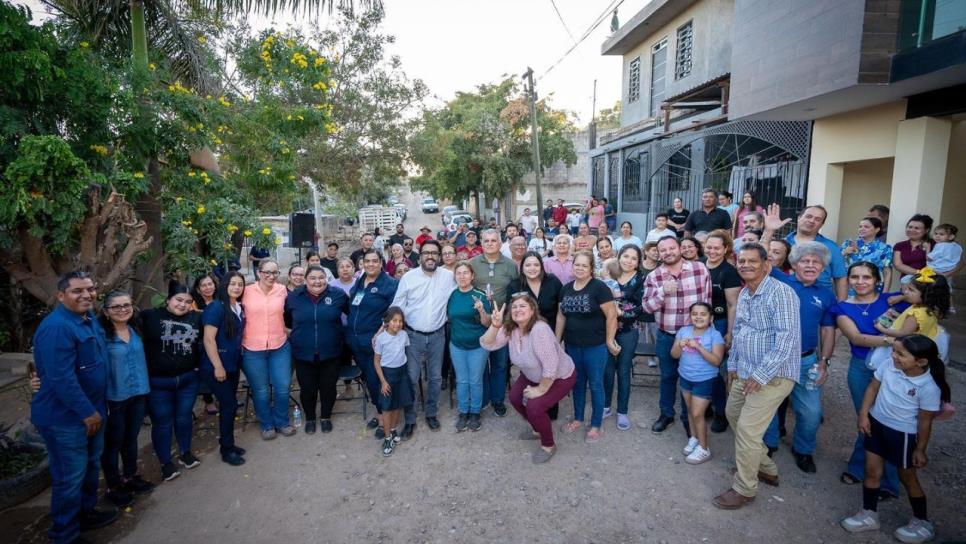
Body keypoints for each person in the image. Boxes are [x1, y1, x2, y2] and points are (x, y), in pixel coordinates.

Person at [31, 271, 118, 542]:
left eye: (90, 289)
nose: (86, 295)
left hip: (92, 411)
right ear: (61, 296)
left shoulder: (88, 318)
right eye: (77, 291)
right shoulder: (57, 327)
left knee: (90, 466)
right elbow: (60, 378)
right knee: (69, 477)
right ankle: (64, 534)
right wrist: (87, 413)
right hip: (67, 419)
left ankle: (86, 513)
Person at [712, 244, 800, 510]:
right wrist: (733, 367)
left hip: (774, 375)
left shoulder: (781, 293)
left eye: (752, 261)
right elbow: (739, 333)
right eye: (742, 261)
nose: (746, 265)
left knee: (749, 430)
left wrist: (760, 375)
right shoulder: (746, 294)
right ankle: (766, 467)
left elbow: (787, 340)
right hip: (745, 371)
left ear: (766, 265)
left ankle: (745, 487)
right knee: (733, 414)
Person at [840, 335, 949, 543]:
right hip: (877, 425)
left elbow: (925, 422)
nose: (894, 356)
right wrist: (864, 414)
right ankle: (869, 513)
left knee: (907, 476)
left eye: (901, 354)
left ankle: (922, 521)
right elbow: (873, 387)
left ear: (921, 362)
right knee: (872, 471)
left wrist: (920, 449)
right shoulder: (888, 365)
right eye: (894, 351)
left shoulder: (928, 387)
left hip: (903, 435)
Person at [759, 240, 838, 473]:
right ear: (794, 264)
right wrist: (770, 231)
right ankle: (769, 444)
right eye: (805, 260)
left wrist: (824, 362)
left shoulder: (825, 295)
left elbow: (828, 330)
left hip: (806, 361)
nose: (811, 265)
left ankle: (803, 450)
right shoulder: (780, 281)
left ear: (823, 268)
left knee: (812, 411)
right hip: (776, 358)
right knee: (769, 405)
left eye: (816, 262)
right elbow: (761, 260)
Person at [831, 261, 906, 499]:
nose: (860, 282)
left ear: (877, 280)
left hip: (897, 369)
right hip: (862, 368)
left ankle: (884, 478)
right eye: (855, 277)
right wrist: (895, 342)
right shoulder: (841, 307)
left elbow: (931, 298)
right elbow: (857, 337)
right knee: (868, 419)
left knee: (890, 422)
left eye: (866, 277)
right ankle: (864, 469)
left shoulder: (893, 300)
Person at [481, 295, 576, 463]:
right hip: (532, 374)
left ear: (532, 310)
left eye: (523, 306)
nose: (518, 309)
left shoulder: (540, 330)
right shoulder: (511, 328)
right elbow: (488, 344)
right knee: (515, 398)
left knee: (534, 406)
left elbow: (551, 366)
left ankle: (548, 444)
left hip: (560, 376)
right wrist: (495, 326)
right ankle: (537, 429)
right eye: (515, 307)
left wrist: (540, 390)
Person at [641, 236, 712, 434]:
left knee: (690, 377)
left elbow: (708, 302)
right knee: (668, 376)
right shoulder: (654, 277)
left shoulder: (700, 269)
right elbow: (646, 307)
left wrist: (707, 333)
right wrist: (663, 292)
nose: (668, 252)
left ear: (679, 248)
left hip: (694, 337)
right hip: (667, 336)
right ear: (658, 253)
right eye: (663, 250)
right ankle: (666, 414)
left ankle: (689, 417)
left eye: (671, 248)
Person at [391, 239, 456, 438]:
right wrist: (389, 330)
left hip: (438, 335)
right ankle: (410, 418)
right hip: (412, 336)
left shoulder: (448, 277)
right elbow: (398, 305)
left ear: (439, 256)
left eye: (434, 253)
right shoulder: (409, 278)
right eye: (426, 253)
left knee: (436, 378)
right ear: (420, 256)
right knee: (411, 377)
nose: (430, 256)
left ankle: (431, 413)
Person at [556, 251, 620, 443]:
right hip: (573, 346)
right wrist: (557, 342)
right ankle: (577, 418)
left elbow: (611, 315)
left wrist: (610, 340)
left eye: (584, 265)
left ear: (592, 268)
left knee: (596, 385)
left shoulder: (599, 288)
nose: (580, 268)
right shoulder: (565, 288)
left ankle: (595, 425)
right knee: (576, 383)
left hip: (595, 346)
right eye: (577, 264)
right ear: (572, 266)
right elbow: (561, 316)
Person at [141, 281, 203, 480]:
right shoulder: (150, 317)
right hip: (159, 382)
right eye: (178, 300)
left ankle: (185, 453)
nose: (182, 305)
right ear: (168, 299)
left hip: (187, 379)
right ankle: (165, 462)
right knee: (163, 422)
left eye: (187, 301)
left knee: (184, 418)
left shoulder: (196, 318)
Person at [97, 291, 153, 507]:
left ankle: (130, 476)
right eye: (116, 307)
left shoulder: (136, 329)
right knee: (113, 443)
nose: (122, 310)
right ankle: (113, 485)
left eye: (126, 305)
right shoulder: (101, 335)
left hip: (139, 392)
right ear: (106, 312)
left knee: (131, 438)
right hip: (115, 397)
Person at [285, 265, 349, 435]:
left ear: (326, 279)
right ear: (305, 280)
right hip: (303, 353)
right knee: (307, 389)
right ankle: (311, 418)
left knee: (328, 388)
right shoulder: (293, 298)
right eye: (312, 278)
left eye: (321, 277)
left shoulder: (338, 295)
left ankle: (326, 417)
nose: (317, 281)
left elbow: (352, 314)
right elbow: (287, 320)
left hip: (331, 352)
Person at [346, 249, 399, 438]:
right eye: (366, 261)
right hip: (356, 341)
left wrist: (380, 332)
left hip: (375, 342)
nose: (370, 264)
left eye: (374, 261)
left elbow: (394, 313)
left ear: (381, 263)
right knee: (369, 380)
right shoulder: (360, 281)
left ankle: (387, 419)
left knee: (379, 380)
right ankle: (380, 412)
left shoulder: (390, 284)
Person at [241, 259, 295, 440]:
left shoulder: (282, 291)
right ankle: (266, 424)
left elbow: (291, 311)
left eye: (275, 272)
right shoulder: (246, 291)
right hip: (252, 348)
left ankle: (282, 422)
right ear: (258, 272)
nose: (271, 276)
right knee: (261, 390)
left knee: (282, 387)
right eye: (267, 272)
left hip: (279, 346)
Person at [470, 230, 519, 417]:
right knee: (481, 364)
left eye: (494, 240)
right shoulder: (473, 264)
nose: (490, 243)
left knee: (499, 364)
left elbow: (514, 292)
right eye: (486, 241)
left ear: (500, 243)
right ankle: (484, 398)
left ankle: (498, 399)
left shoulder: (510, 265)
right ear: (481, 243)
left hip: (502, 324)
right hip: (478, 322)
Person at [200, 272, 247, 466]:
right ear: (224, 285)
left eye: (240, 284)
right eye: (232, 284)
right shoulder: (216, 307)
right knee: (228, 405)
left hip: (233, 364)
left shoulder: (238, 307)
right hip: (217, 366)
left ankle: (229, 444)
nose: (236, 287)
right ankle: (226, 449)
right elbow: (208, 339)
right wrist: (218, 366)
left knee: (230, 405)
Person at [672, 302, 725, 464]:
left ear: (711, 317)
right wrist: (679, 346)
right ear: (690, 316)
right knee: (689, 410)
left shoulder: (714, 335)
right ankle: (694, 438)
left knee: (697, 413)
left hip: (705, 379)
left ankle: (704, 448)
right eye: (695, 314)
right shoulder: (683, 331)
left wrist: (699, 347)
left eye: (703, 314)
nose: (698, 317)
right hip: (686, 377)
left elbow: (717, 361)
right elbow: (674, 355)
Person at [603, 245, 646, 431]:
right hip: (605, 329)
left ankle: (622, 411)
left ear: (638, 262)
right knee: (606, 369)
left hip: (629, 329)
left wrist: (621, 313)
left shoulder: (641, 279)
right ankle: (605, 406)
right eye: (625, 256)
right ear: (618, 257)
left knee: (623, 369)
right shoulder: (610, 275)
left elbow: (641, 307)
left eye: (633, 258)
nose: (628, 260)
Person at [703, 230, 741, 432]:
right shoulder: (699, 265)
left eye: (717, 247)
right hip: (698, 324)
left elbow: (732, 304)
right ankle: (706, 404)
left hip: (718, 323)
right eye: (709, 247)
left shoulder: (729, 271)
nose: (712, 251)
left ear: (725, 249)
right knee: (700, 364)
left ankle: (720, 411)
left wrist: (730, 332)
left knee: (717, 369)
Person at [447, 263, 493, 432]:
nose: (462, 276)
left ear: (472, 276)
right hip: (457, 344)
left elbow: (487, 322)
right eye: (459, 273)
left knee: (475, 380)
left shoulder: (480, 295)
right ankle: (463, 412)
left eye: (466, 273)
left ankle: (475, 412)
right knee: (462, 380)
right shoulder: (451, 295)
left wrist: (481, 310)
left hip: (478, 345)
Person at [373, 307, 415, 456]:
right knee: (386, 407)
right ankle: (387, 438)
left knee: (398, 403)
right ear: (387, 321)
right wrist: (383, 381)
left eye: (400, 321)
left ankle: (393, 430)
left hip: (402, 373)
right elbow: (377, 361)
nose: (397, 324)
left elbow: (404, 353)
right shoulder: (381, 338)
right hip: (387, 375)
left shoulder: (404, 335)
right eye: (394, 321)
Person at [785, 204, 847, 299]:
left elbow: (840, 277)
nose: (811, 221)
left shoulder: (831, 247)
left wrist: (842, 307)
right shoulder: (783, 243)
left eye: (818, 219)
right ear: (799, 218)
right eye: (808, 216)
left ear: (821, 225)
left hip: (820, 300)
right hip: (786, 297)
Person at [875, 270, 949, 341]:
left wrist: (881, 328)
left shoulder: (916, 314)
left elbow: (902, 333)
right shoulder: (931, 308)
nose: (906, 292)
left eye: (911, 290)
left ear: (926, 295)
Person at [190, 274, 218, 415]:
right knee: (205, 371)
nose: (208, 288)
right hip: (201, 342)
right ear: (198, 289)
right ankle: (209, 400)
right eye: (203, 285)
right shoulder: (193, 303)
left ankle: (223, 397)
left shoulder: (220, 300)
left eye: (210, 284)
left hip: (220, 341)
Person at [841, 217, 893, 291]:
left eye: (866, 227)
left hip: (872, 288)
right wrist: (844, 253)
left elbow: (887, 272)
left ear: (877, 229)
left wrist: (885, 293)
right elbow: (836, 263)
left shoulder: (884, 248)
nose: (861, 229)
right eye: (860, 226)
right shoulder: (848, 244)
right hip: (849, 287)